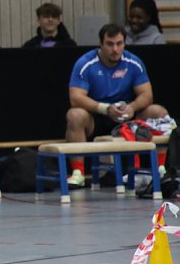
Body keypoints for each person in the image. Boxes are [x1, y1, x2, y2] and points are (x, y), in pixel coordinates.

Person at [65, 23, 168, 186]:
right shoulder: (85, 63)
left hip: (126, 117)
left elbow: (147, 95)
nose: (115, 49)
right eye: (110, 44)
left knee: (158, 112)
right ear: (101, 44)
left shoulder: (133, 62)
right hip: (97, 116)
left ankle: (161, 169)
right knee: (75, 115)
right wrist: (105, 109)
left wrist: (132, 108)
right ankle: (78, 174)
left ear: (124, 44)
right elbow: (76, 98)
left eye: (119, 44)